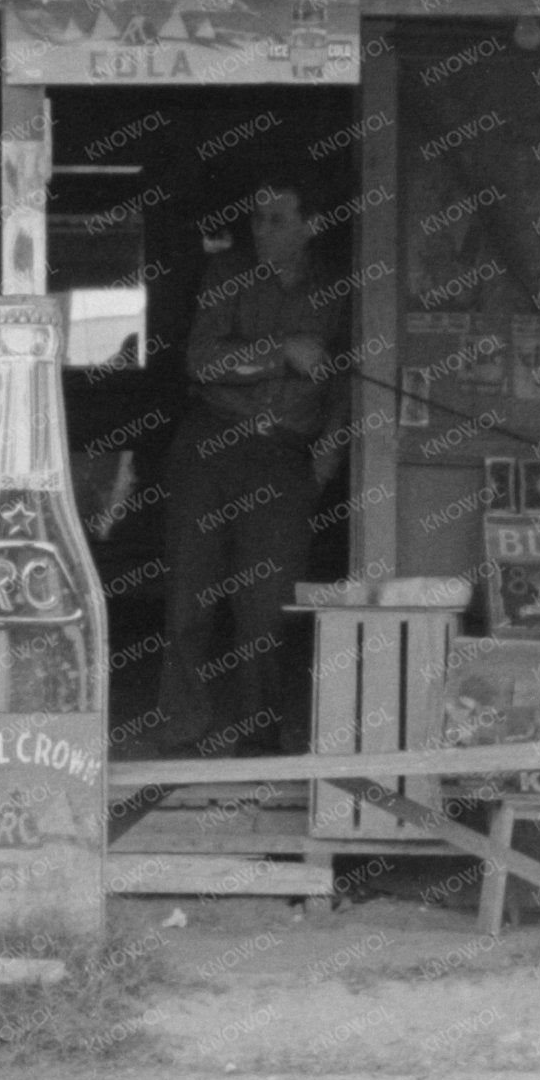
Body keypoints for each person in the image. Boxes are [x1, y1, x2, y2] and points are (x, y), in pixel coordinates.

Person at [153, 180, 345, 756]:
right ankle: (182, 725)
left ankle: (256, 730)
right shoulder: (227, 275)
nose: (261, 230)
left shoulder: (338, 288)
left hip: (284, 454)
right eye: (257, 219)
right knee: (190, 592)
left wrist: (333, 443)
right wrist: (279, 351)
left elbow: (351, 375)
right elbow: (201, 360)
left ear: (309, 225)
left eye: (276, 220)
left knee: (266, 602)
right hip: (211, 442)